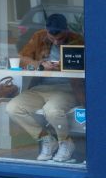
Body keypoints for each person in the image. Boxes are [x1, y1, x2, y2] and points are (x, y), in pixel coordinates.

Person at [6, 12, 85, 163]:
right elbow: (22, 58)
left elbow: (81, 63)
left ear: (67, 30)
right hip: (41, 87)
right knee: (13, 108)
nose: (56, 42)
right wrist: (40, 65)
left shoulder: (77, 39)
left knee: (52, 111)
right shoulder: (39, 36)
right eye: (52, 38)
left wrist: (59, 66)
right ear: (46, 30)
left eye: (60, 38)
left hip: (66, 87)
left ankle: (65, 142)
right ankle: (46, 139)